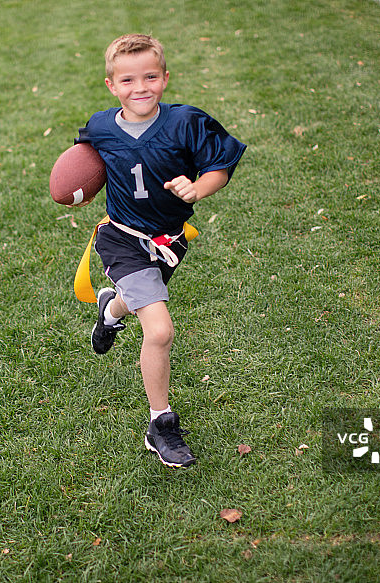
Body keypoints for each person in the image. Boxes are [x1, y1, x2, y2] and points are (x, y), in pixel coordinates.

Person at [75, 34, 246, 468]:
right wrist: (72, 186)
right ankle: (160, 423)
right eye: (128, 79)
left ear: (165, 79)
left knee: (137, 303)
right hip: (122, 238)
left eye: (150, 76)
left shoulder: (186, 122)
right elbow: (82, 160)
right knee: (161, 330)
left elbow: (219, 167)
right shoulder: (100, 126)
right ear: (111, 85)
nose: (141, 87)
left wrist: (198, 187)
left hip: (169, 240)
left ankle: (111, 311)